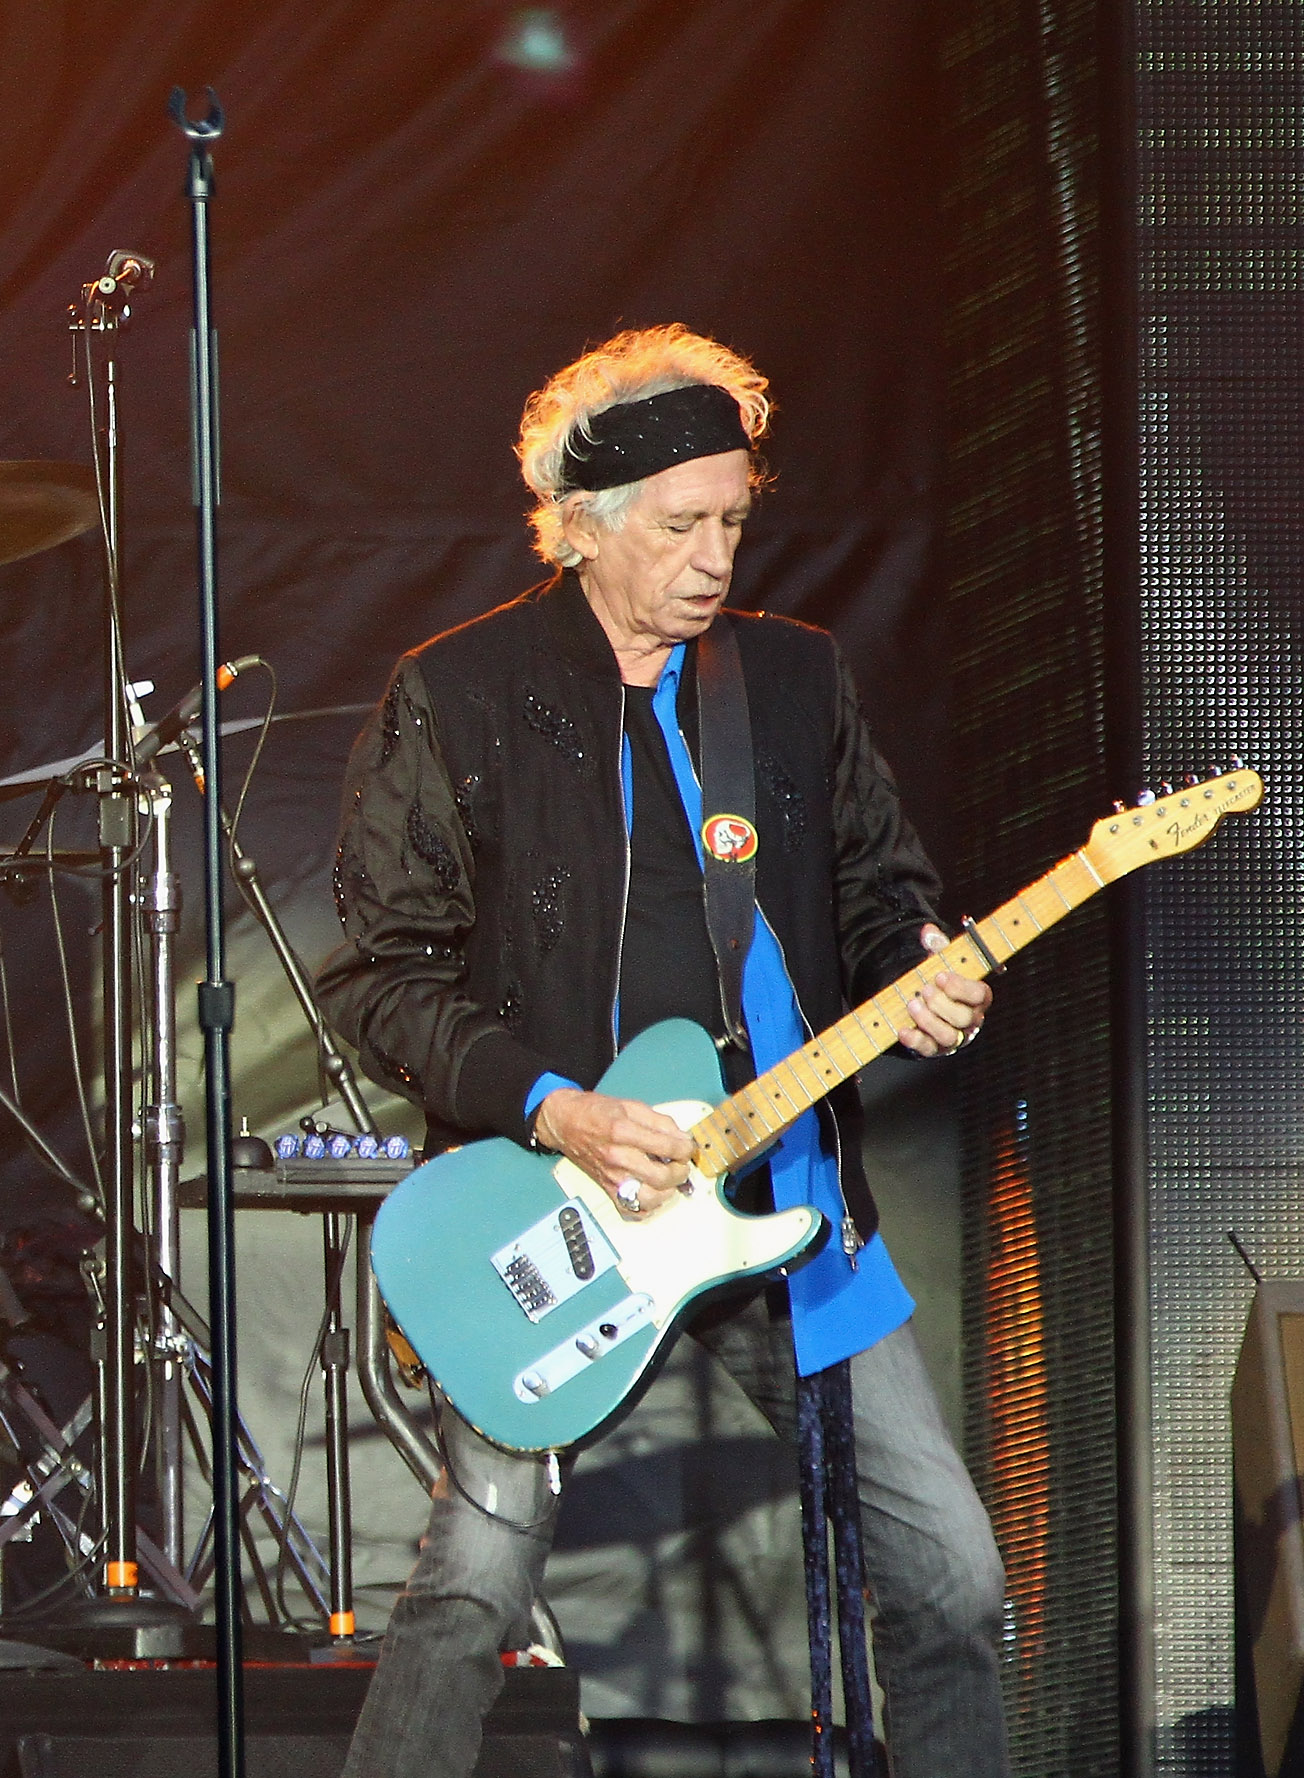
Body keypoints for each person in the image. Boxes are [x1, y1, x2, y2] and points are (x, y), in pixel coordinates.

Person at [314, 325, 1007, 1776]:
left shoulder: (796, 682)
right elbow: (381, 978)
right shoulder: (460, 696)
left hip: (783, 1196)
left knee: (954, 1579)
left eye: (735, 520)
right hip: (557, 1204)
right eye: (681, 526)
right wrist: (558, 1110)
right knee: (470, 1591)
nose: (714, 558)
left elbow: (882, 894)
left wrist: (924, 969)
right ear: (584, 528)